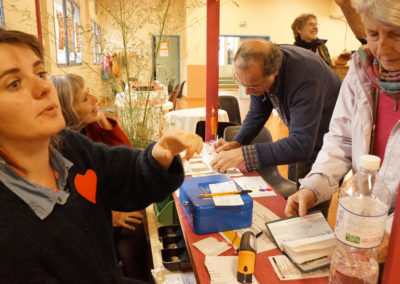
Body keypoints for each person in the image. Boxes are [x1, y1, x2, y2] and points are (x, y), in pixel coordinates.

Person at [0, 28, 203, 283]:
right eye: (14, 83)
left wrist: (161, 152)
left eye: (40, 73)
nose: (43, 86)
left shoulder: (68, 146)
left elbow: (128, 174)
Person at [285, 0, 400, 221]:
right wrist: (314, 186)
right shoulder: (362, 71)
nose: (382, 50)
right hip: (364, 216)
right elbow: (341, 139)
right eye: (374, 34)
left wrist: (390, 233)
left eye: (396, 35)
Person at [50, 73, 149, 281]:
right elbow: (66, 202)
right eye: (85, 98)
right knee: (133, 231)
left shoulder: (89, 129)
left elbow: (123, 162)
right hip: (84, 229)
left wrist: (103, 120)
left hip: (103, 208)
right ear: (68, 111)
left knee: (138, 223)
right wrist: (110, 215)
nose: (96, 100)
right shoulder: (57, 150)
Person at [210, 40, 342, 184]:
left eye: (253, 86)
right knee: (295, 185)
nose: (248, 92)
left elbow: (301, 145)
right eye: (243, 85)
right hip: (302, 135)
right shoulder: (260, 67)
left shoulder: (306, 75)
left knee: (312, 195)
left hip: (330, 138)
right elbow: (257, 113)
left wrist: (244, 154)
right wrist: (238, 142)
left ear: (275, 71)